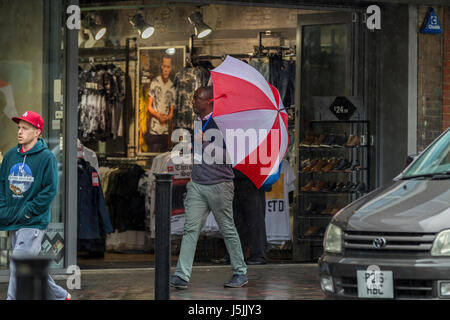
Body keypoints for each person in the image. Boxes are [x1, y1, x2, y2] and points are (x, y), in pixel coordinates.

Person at [170, 87, 248, 289]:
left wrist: (207, 146)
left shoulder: (223, 124)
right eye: (193, 97)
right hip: (197, 183)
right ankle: (181, 275)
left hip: (220, 184)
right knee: (190, 229)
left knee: (227, 229)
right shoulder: (197, 122)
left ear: (209, 101)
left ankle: (240, 272)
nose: (193, 101)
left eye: (197, 98)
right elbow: (198, 153)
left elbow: (233, 157)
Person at [0, 110, 71, 300]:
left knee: (19, 264)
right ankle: (60, 296)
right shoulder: (9, 157)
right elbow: (1, 184)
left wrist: (29, 212)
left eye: (25, 128)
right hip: (12, 219)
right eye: (19, 128)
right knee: (29, 265)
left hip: (32, 222)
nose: (20, 132)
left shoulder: (46, 157)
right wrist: (3, 209)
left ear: (37, 131)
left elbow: (49, 190)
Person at [146, 55, 176, 152]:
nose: (166, 69)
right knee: (152, 158)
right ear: (161, 67)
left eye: (168, 67)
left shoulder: (172, 87)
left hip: (165, 130)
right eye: (164, 66)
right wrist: (158, 115)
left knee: (164, 159)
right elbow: (149, 107)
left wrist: (167, 117)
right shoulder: (154, 82)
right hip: (154, 129)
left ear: (171, 68)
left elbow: (172, 111)